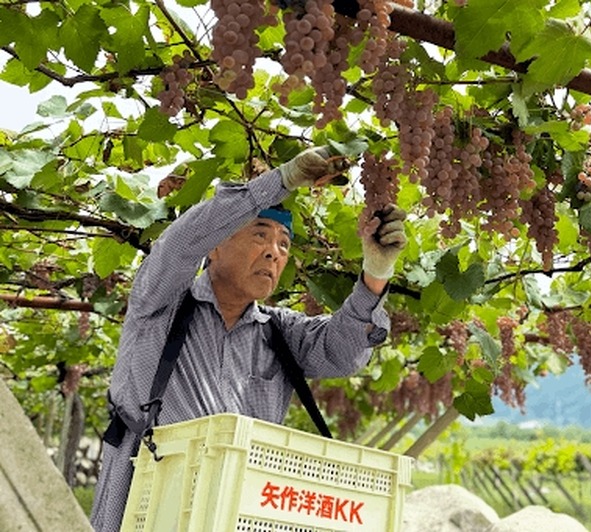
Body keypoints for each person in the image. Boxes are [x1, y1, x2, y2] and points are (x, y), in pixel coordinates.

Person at [89, 147, 406, 531]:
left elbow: (342, 352)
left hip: (232, 514)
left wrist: (377, 271)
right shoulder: (160, 307)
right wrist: (282, 180)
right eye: (261, 234)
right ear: (216, 245)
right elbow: (178, 246)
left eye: (284, 244)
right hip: (147, 507)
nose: (274, 252)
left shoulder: (280, 332)